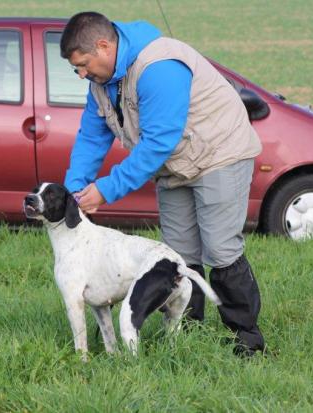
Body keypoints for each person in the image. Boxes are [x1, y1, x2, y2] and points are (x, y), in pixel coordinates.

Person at [60, 11, 265, 356]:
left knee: (220, 248)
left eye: (83, 65)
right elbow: (91, 139)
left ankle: (245, 341)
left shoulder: (159, 66)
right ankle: (187, 335)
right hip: (174, 165)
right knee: (179, 252)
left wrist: (107, 190)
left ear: (103, 46)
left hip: (219, 154)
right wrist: (73, 191)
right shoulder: (99, 84)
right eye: (75, 69)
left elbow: (158, 143)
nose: (81, 74)